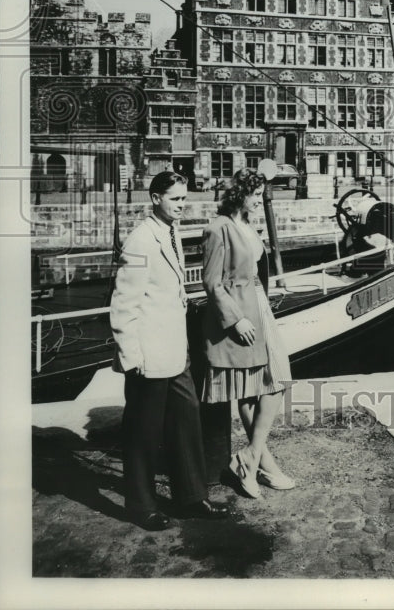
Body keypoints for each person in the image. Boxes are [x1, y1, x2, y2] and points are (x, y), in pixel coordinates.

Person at [110, 171, 229, 530]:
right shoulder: (140, 242)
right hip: (148, 354)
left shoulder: (170, 232)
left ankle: (191, 497)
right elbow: (123, 304)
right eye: (175, 199)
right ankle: (141, 505)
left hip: (175, 351)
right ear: (155, 198)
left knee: (186, 419)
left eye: (184, 198)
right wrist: (132, 357)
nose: (182, 205)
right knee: (144, 432)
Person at [201, 168, 295, 498]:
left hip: (259, 306)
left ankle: (251, 459)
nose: (261, 200)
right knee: (253, 387)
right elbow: (211, 282)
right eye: (256, 195)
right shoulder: (218, 228)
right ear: (240, 195)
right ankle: (259, 463)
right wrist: (235, 320)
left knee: (275, 380)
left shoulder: (246, 224)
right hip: (241, 313)